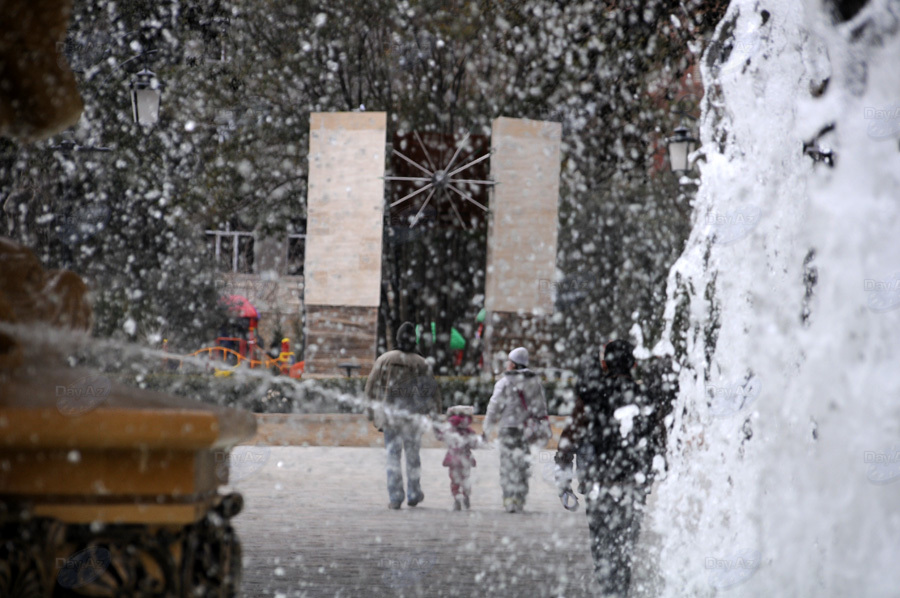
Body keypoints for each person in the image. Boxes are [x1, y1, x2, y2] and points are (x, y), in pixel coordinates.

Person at [554, 339, 657, 597]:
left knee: (602, 544)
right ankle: (619, 591)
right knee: (625, 547)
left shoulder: (591, 394)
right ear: (633, 363)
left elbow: (571, 436)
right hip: (633, 485)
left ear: (604, 364)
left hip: (599, 484)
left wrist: (564, 477)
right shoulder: (644, 397)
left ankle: (608, 589)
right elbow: (658, 441)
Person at [365, 321, 442, 510]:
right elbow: (432, 391)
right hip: (413, 418)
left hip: (390, 418)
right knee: (413, 456)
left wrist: (370, 412)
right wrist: (436, 415)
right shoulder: (421, 363)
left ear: (397, 338)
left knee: (392, 456)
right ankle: (414, 492)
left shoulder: (384, 359)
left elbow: (371, 386)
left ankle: (395, 496)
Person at [483, 347, 551, 513]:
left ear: (513, 364)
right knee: (522, 464)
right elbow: (540, 407)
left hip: (507, 429)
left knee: (507, 464)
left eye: (509, 361)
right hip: (525, 430)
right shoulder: (534, 382)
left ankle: (508, 498)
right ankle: (519, 497)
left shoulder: (503, 383)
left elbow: (494, 407)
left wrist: (487, 429)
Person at [435, 405, 482, 511]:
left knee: (454, 480)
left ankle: (457, 498)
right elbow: (474, 444)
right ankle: (466, 496)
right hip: (465, 458)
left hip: (453, 459)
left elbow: (440, 436)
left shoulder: (449, 430)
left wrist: (436, 427)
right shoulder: (469, 431)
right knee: (465, 478)